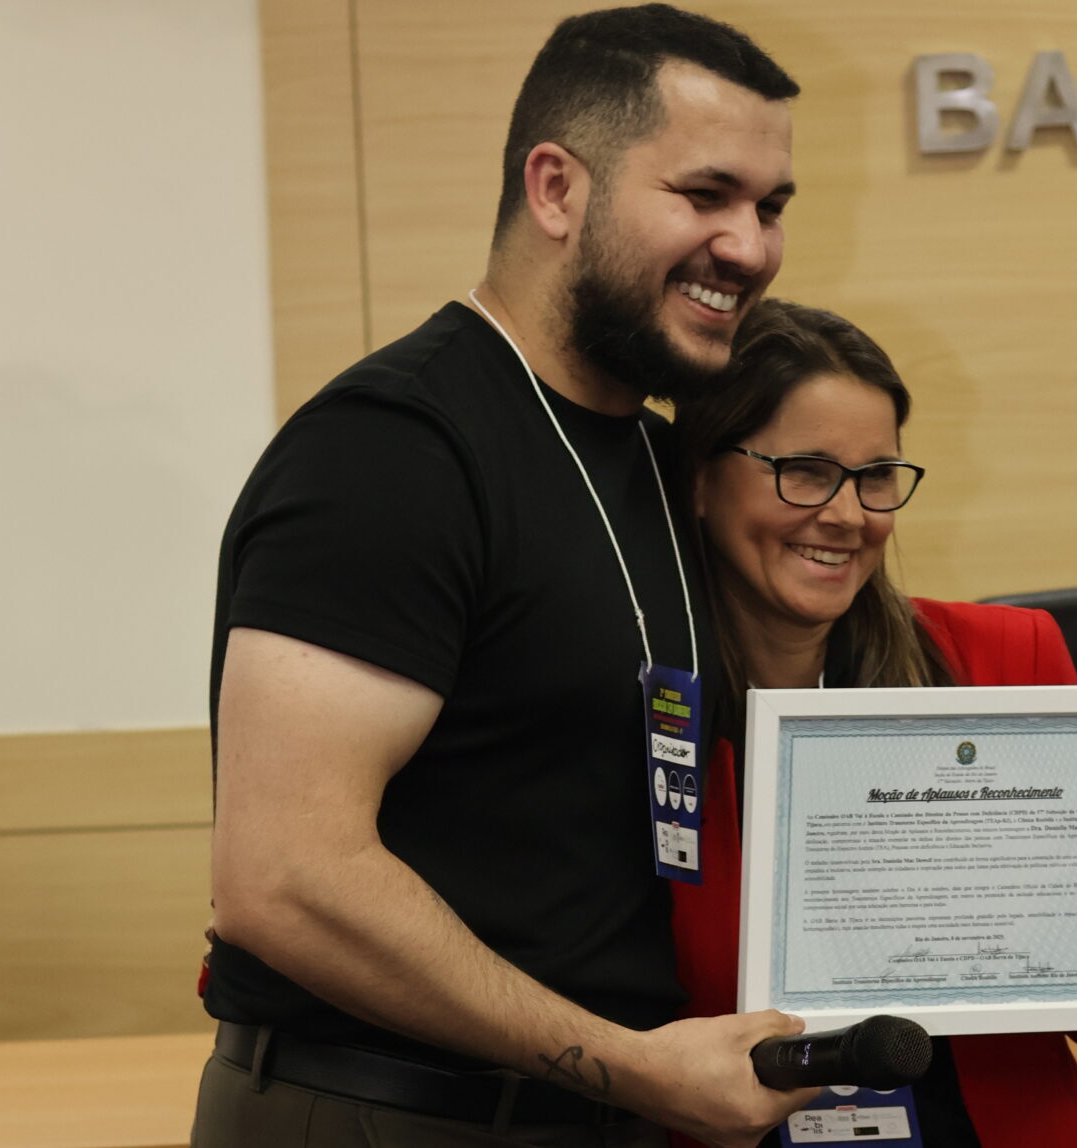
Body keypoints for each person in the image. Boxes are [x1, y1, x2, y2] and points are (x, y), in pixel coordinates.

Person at [193, 8, 819, 1147]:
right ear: (554, 189)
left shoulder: (652, 453)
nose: (752, 246)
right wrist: (634, 1065)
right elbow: (282, 876)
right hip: (383, 1113)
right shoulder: (392, 449)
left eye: (771, 207)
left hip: (598, 1109)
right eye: (707, 194)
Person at [670, 299, 1077, 1147]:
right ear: (700, 478)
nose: (848, 515)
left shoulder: (1003, 658)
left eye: (877, 476)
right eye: (806, 470)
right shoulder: (643, 716)